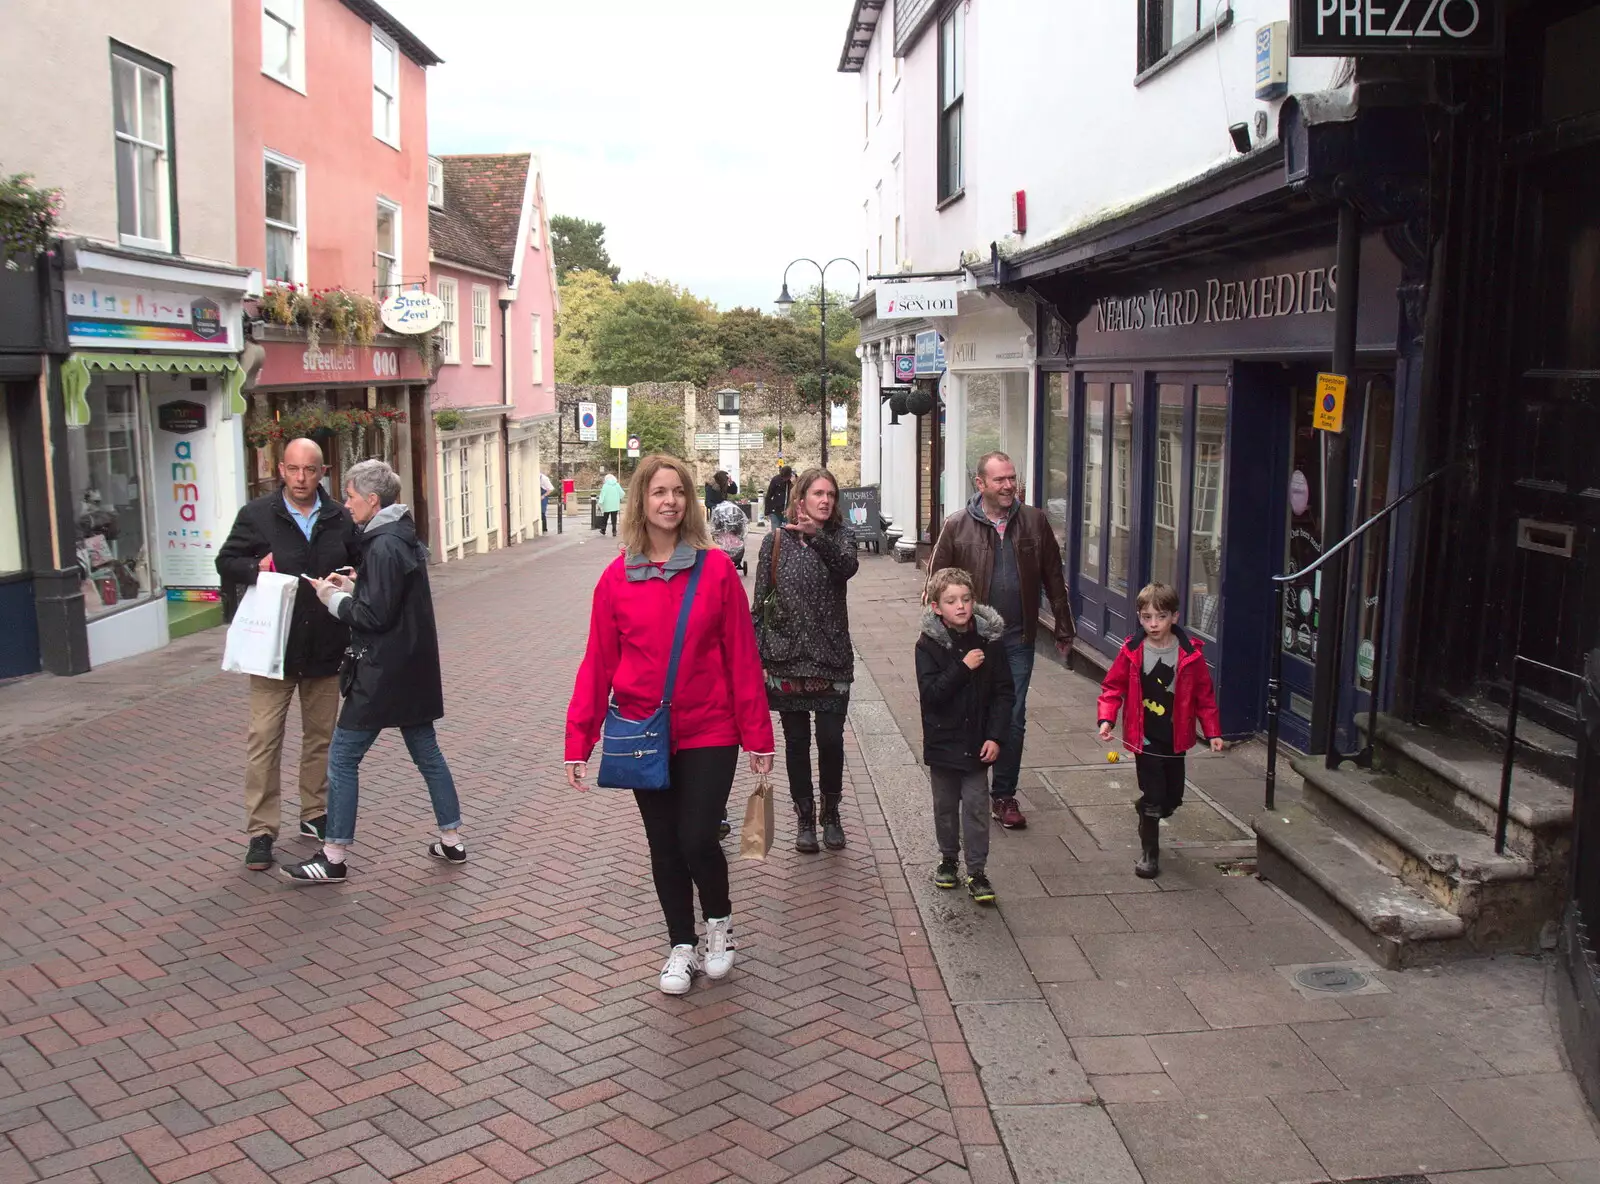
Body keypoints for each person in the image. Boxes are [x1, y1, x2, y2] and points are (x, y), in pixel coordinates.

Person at [565, 455, 774, 995]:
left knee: (698, 836)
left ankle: (719, 926)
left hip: (711, 727)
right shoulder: (616, 578)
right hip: (641, 731)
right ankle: (681, 943)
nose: (669, 501)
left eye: (678, 492)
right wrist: (579, 739)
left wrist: (758, 734)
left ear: (690, 502)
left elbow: (741, 657)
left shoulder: (717, 571)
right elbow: (598, 663)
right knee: (664, 845)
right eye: (658, 492)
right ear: (641, 501)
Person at [280, 459, 465, 884]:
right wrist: (356, 585)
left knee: (342, 758)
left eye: (350, 496)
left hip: (381, 673)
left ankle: (333, 856)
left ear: (372, 499)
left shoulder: (381, 545)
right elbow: (391, 601)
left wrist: (332, 597)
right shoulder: (402, 537)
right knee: (428, 756)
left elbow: (373, 616)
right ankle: (452, 839)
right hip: (413, 668)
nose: (346, 505)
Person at [216, 437, 360, 872]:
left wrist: (353, 575)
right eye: (294, 470)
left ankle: (314, 814)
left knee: (320, 739)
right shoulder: (258, 515)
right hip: (272, 651)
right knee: (264, 740)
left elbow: (360, 564)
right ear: (281, 470)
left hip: (324, 648)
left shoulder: (338, 517)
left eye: (310, 470)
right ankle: (261, 830)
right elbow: (226, 562)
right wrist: (253, 569)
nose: (301, 479)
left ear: (323, 472)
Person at [925, 451, 1074, 831]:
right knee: (971, 707)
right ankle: (969, 778)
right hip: (971, 639)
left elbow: (1054, 576)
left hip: (1017, 638)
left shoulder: (1035, 521)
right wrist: (937, 633)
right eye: (1000, 480)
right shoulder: (957, 525)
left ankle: (1004, 794)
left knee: (1013, 714)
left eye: (1012, 478)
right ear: (981, 485)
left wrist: (1063, 626)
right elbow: (935, 583)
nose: (1009, 486)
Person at [752, 468, 858, 853]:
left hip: (830, 657)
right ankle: (805, 820)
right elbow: (760, 601)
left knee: (830, 740)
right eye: (818, 493)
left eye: (831, 494)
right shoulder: (774, 541)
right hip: (786, 658)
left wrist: (818, 540)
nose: (825, 500)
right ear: (801, 499)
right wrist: (756, 653)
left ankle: (832, 815)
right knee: (796, 743)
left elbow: (847, 568)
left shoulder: (842, 538)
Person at [1096, 582, 1223, 879]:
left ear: (1175, 617)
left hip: (1176, 737)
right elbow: (1112, 687)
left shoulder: (1190, 654)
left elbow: (1204, 696)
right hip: (1144, 737)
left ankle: (1147, 810)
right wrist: (1107, 719)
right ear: (1139, 617)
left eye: (1160, 616)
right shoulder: (1131, 651)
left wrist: (1213, 731)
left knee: (1173, 798)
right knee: (1154, 795)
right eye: (1146, 617)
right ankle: (1149, 854)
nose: (1153, 624)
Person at [916, 567, 1014, 905]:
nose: (960, 606)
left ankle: (977, 870)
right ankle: (948, 859)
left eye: (966, 599)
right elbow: (931, 695)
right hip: (943, 742)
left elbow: (1004, 694)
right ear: (936, 607)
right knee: (945, 807)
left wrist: (996, 737)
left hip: (976, 743)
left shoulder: (989, 642)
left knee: (975, 807)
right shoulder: (927, 646)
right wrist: (962, 668)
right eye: (951, 600)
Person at [597, 471, 623, 536]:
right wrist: (619, 498)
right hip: (615, 505)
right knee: (614, 518)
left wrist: (600, 503)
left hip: (607, 505)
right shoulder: (617, 485)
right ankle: (614, 531)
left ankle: (603, 529)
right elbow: (622, 493)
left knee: (605, 517)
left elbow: (602, 495)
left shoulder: (605, 486)